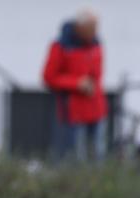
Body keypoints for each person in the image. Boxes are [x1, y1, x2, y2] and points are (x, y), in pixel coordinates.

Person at [42, 9, 108, 161]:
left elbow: (97, 75)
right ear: (80, 28)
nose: (95, 32)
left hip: (96, 108)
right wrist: (76, 83)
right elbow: (49, 77)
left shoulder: (96, 44)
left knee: (98, 154)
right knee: (75, 156)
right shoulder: (61, 46)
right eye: (91, 28)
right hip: (73, 111)